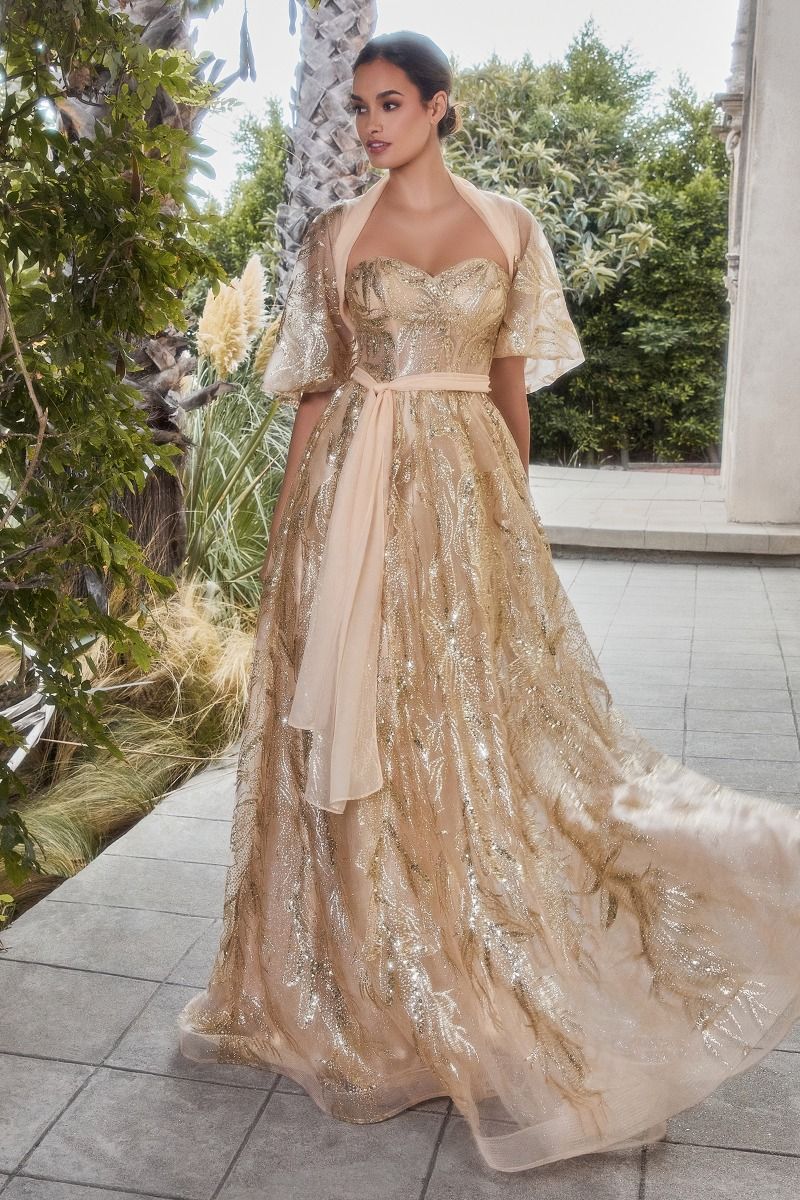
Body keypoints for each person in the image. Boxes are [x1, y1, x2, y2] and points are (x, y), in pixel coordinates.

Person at [177, 30, 800, 1174]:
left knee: (476, 731)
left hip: (464, 509)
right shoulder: (334, 236)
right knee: (362, 728)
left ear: (437, 107)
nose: (367, 124)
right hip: (352, 502)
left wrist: (511, 525)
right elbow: (314, 395)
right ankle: (377, 983)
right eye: (358, 107)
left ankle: (488, 964)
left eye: (388, 103)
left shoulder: (510, 226)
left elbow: (510, 393)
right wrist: (284, 545)